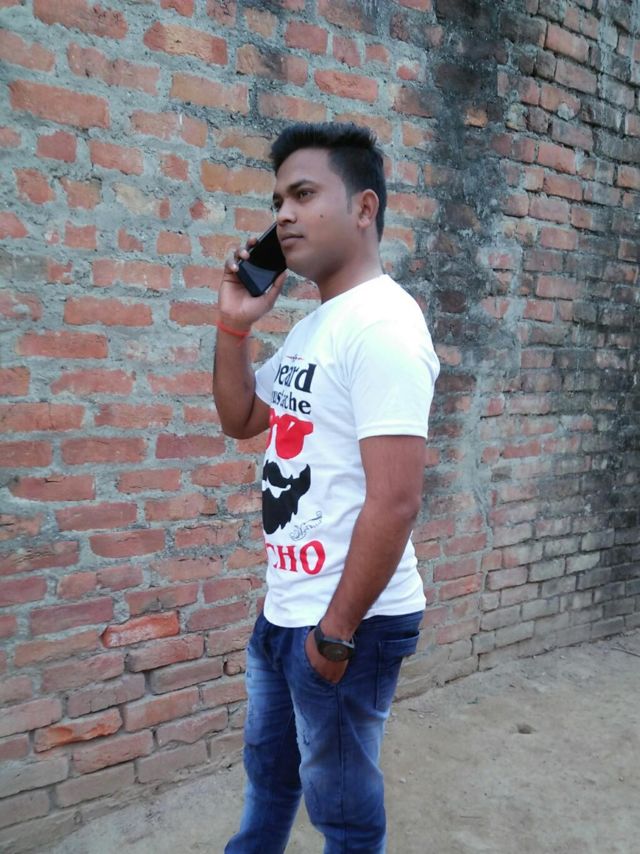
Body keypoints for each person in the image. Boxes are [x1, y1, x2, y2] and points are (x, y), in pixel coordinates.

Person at [212, 122, 440, 854]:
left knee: (341, 809)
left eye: (304, 194)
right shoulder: (315, 329)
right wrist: (234, 327)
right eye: (278, 200)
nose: (284, 215)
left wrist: (335, 636)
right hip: (287, 607)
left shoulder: (383, 326)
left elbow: (397, 499)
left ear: (364, 207)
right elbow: (241, 418)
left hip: (350, 622)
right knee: (270, 775)